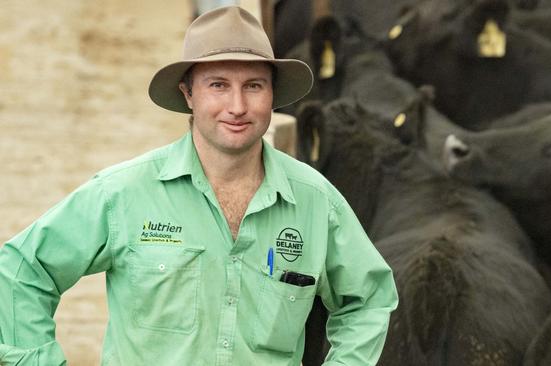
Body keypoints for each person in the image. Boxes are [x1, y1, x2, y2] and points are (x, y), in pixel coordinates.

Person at [0, 6, 398, 366]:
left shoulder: (316, 202)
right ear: (187, 94)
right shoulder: (123, 193)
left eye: (254, 86)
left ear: (273, 95)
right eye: (218, 85)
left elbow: (369, 299)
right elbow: (19, 272)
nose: (238, 106)